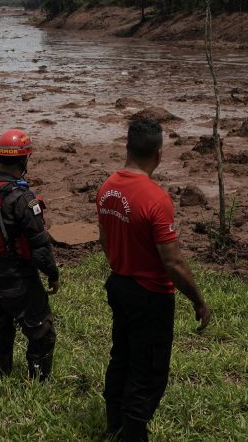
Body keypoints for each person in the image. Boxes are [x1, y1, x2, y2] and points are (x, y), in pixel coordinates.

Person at [96, 119, 211, 441]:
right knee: (149, 369)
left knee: (122, 356)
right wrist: (199, 300)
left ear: (128, 148)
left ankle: (113, 425)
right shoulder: (156, 199)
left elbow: (105, 239)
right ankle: (133, 432)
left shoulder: (107, 188)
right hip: (150, 294)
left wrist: (122, 262)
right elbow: (172, 262)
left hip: (119, 284)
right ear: (159, 154)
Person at [0, 128, 60, 380]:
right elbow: (40, 248)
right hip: (18, 276)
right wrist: (52, 275)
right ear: (24, 159)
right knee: (42, 331)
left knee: (0, 326)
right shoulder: (23, 199)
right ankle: (38, 385)